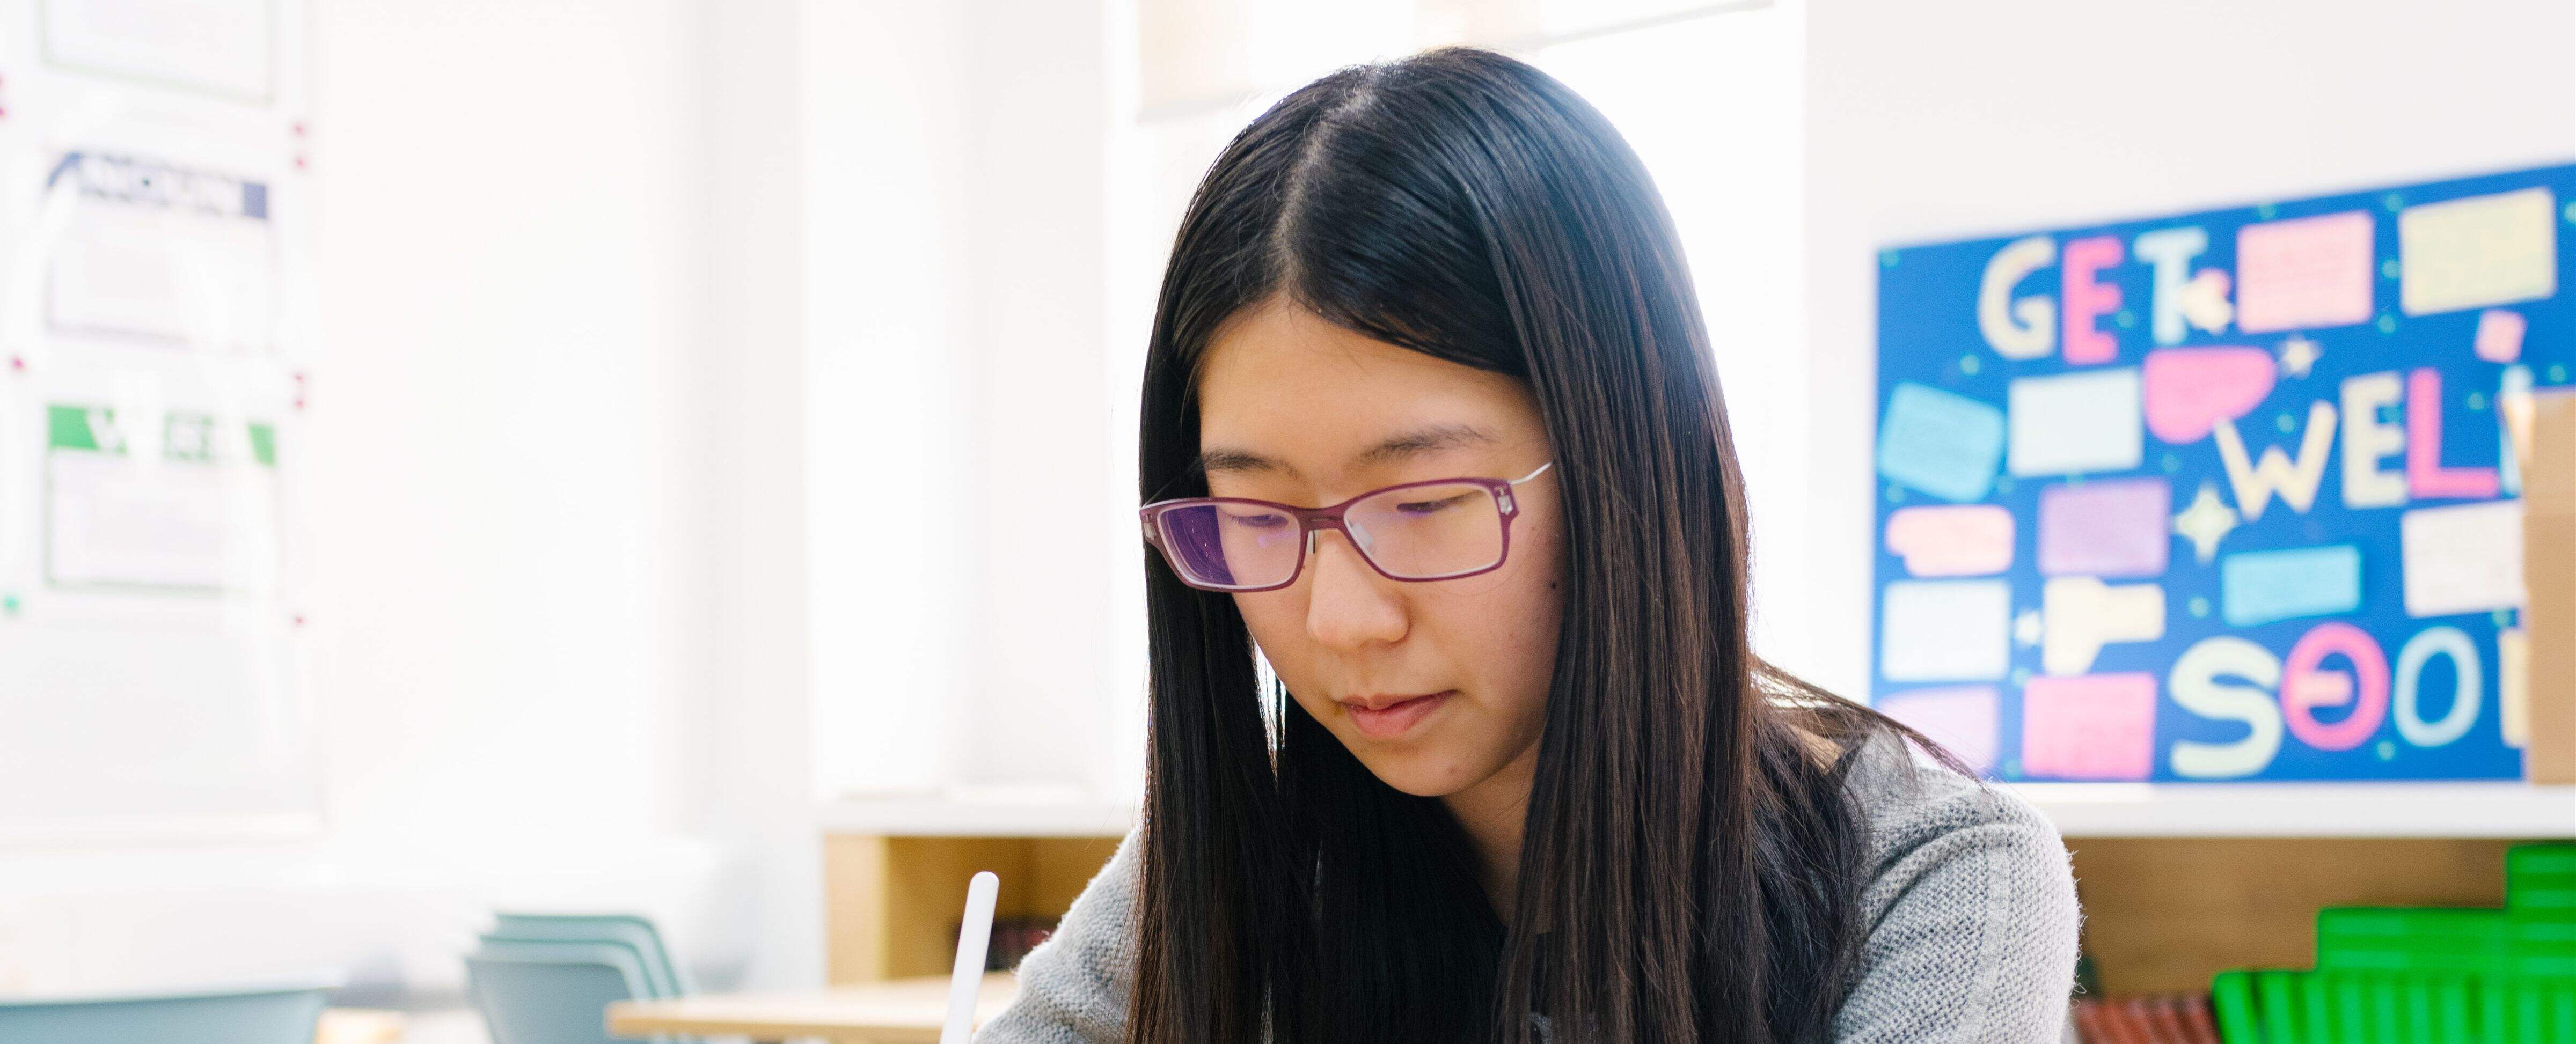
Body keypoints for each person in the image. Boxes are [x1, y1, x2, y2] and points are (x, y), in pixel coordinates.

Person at [977, 46, 2079, 1044]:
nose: (1340, 622)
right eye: (1259, 518)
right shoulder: (1244, 848)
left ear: (1626, 468)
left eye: (1421, 502)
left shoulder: (1930, 874)